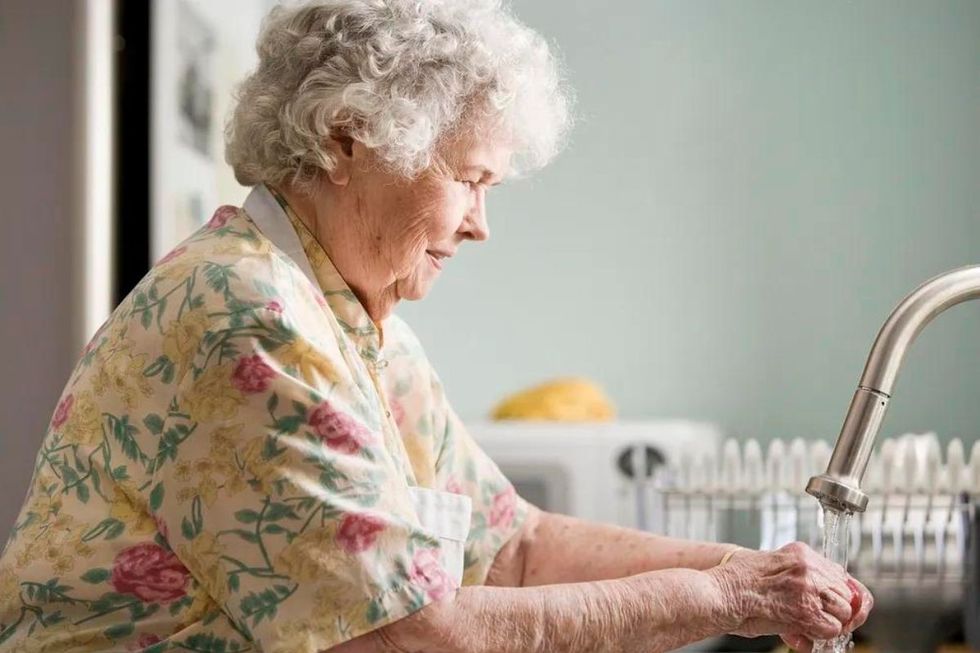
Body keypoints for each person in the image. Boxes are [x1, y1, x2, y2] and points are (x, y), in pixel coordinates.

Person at [0, 1, 871, 651]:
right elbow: (414, 633)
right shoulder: (248, 317)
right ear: (346, 141)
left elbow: (515, 545)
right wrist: (727, 600)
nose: (480, 224)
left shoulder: (355, 319)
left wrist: (747, 572)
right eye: (468, 178)